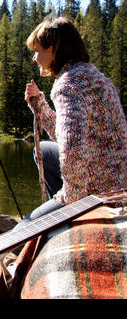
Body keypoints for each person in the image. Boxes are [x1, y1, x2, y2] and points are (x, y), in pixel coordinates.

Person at [20, 17, 127, 225]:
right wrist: (40, 104)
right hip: (114, 177)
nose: (34, 58)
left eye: (37, 51)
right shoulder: (90, 74)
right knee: (42, 150)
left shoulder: (69, 84)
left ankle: (68, 223)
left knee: (21, 233)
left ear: (52, 50)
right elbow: (67, 136)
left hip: (101, 190)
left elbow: (72, 148)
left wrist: (72, 202)